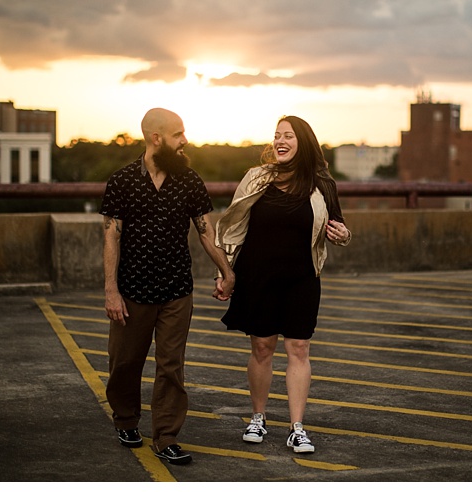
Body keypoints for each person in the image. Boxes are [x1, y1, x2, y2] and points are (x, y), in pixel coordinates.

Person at [100, 108, 235, 466]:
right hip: (132, 292)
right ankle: (126, 420)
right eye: (178, 134)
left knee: (171, 366)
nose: (185, 141)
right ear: (156, 138)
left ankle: (166, 437)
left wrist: (227, 270)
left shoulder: (188, 181)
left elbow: (206, 232)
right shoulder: (123, 181)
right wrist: (111, 291)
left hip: (177, 290)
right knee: (125, 363)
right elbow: (111, 236)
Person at [213, 115, 351, 454]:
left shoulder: (322, 184)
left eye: (288, 135)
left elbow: (340, 228)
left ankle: (297, 427)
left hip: (302, 278)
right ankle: (257, 417)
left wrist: (344, 235)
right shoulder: (256, 178)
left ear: (303, 141)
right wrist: (224, 272)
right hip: (258, 276)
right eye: (276, 136)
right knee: (262, 347)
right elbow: (234, 229)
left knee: (299, 349)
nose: (280, 141)